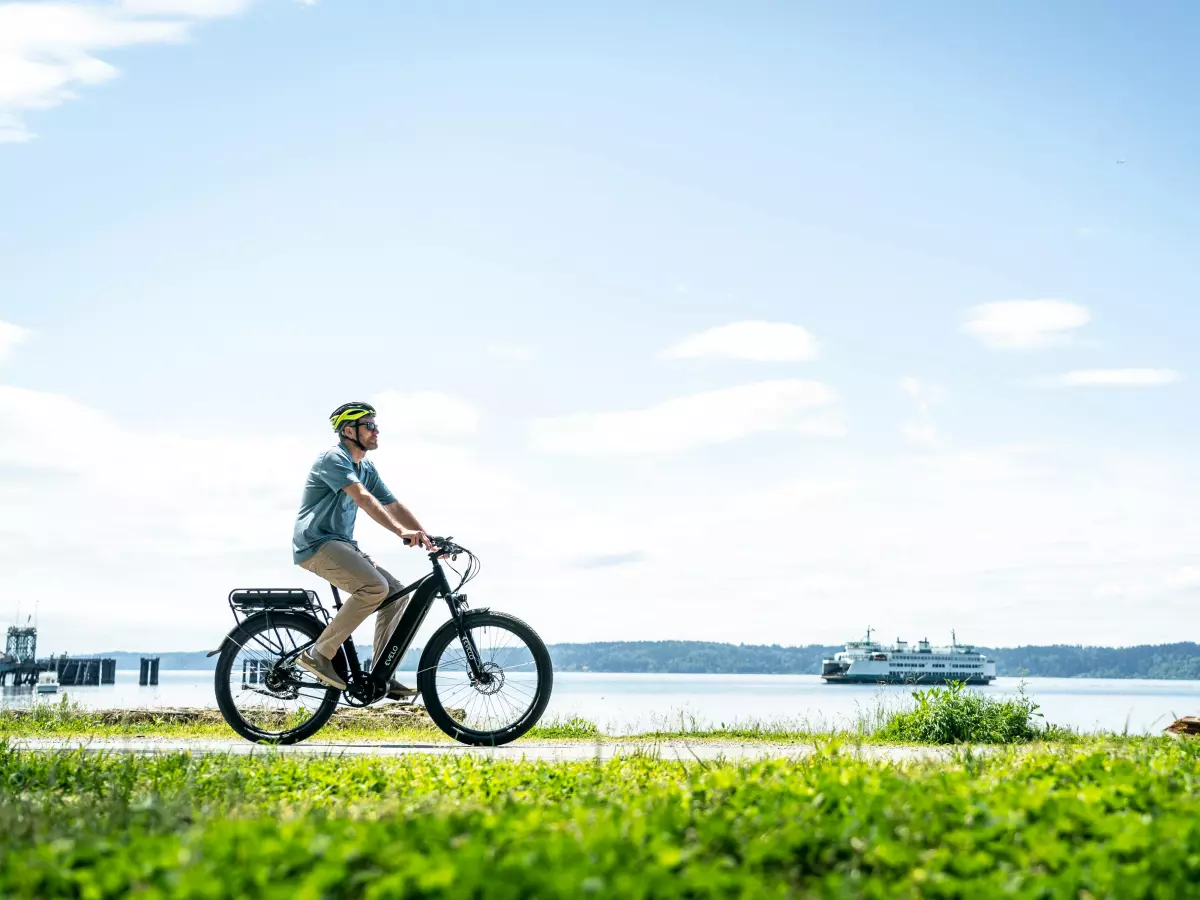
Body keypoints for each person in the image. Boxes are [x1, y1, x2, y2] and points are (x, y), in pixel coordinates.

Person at [293, 402, 433, 695]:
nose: (376, 430)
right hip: (316, 543)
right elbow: (364, 498)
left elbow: (392, 504)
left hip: (342, 544)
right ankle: (319, 653)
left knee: (396, 594)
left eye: (375, 425)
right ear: (348, 430)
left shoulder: (366, 466)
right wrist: (400, 531)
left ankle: (383, 672)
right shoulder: (334, 459)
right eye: (369, 425)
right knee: (373, 587)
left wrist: (426, 536)